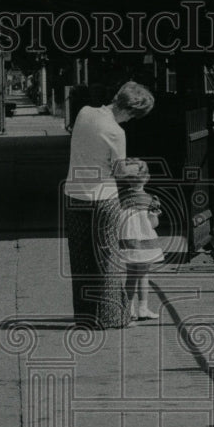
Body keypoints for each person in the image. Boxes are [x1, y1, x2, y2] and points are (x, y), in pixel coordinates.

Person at [63, 80, 155, 329]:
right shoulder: (116, 132)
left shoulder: (84, 112)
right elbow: (119, 171)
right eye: (133, 116)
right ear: (129, 110)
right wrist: (138, 166)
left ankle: (85, 316)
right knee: (107, 259)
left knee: (81, 259)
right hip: (102, 198)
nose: (130, 121)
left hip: (74, 194)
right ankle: (113, 317)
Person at [117, 158, 164, 321]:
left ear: (128, 179)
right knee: (143, 275)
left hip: (128, 242)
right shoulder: (151, 200)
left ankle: (128, 309)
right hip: (146, 242)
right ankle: (143, 308)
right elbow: (154, 223)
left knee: (130, 276)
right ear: (147, 178)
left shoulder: (121, 199)